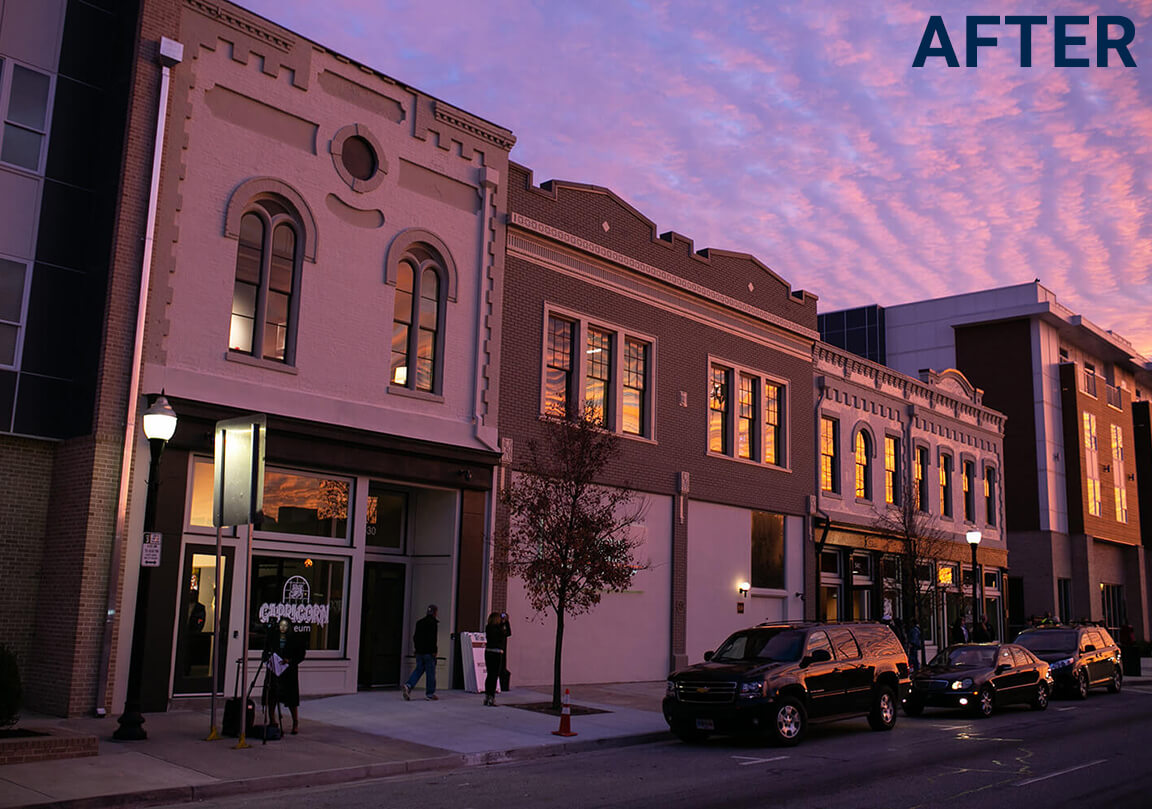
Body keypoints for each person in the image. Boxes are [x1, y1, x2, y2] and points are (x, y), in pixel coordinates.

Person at [264, 617, 306, 735]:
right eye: (281, 625)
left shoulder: (295, 638)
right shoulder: (273, 636)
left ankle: (295, 723)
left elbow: (301, 655)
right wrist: (268, 660)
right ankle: (272, 720)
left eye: (285, 626)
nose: (282, 628)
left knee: (291, 698)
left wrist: (290, 661)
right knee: (272, 694)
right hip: (274, 669)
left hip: (289, 670)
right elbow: (266, 650)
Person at [402, 604, 440, 701]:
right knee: (430, 673)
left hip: (419, 652)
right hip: (428, 652)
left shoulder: (419, 623)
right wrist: (434, 651)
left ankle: (409, 685)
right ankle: (430, 694)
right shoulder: (433, 623)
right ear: (435, 612)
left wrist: (416, 649)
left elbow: (415, 637)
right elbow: (432, 638)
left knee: (418, 670)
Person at [483, 611, 508, 706]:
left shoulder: (488, 627)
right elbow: (507, 633)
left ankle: (487, 696)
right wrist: (505, 622)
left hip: (488, 652)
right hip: (496, 652)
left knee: (490, 675)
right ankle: (491, 697)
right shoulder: (499, 628)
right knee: (494, 675)